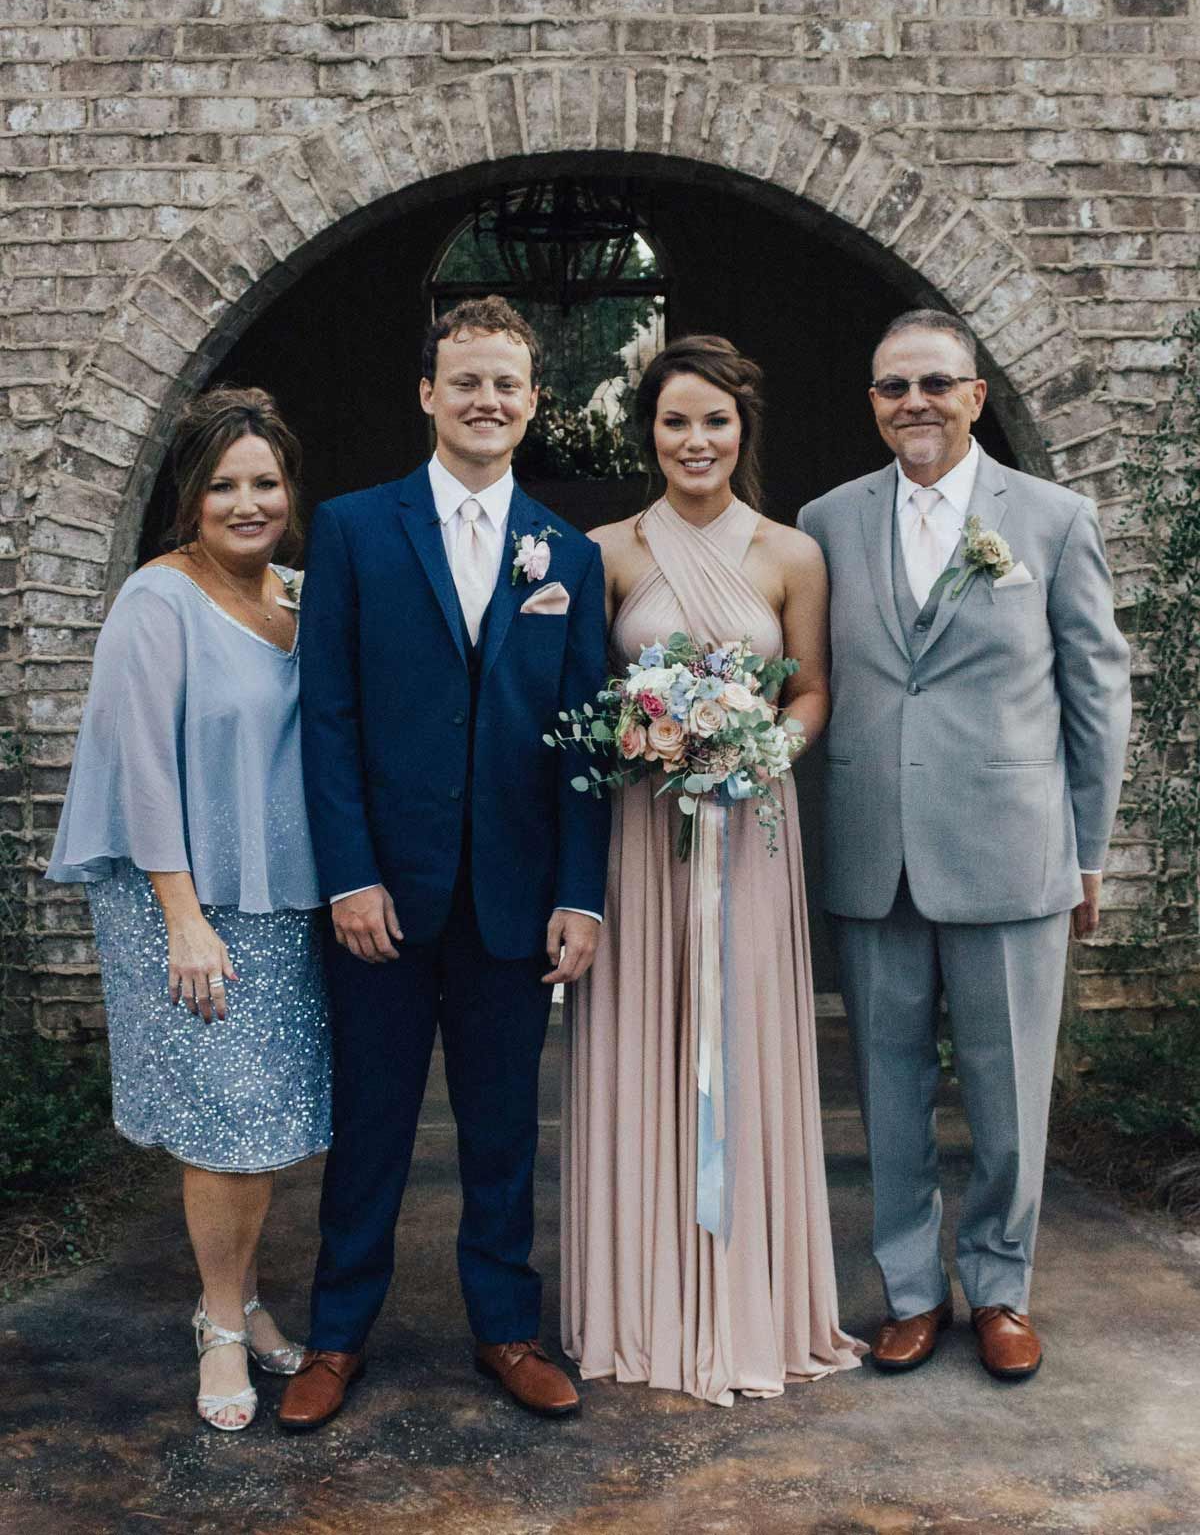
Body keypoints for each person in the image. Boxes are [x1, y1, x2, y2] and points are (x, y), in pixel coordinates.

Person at [281, 296, 610, 1431]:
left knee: (504, 1126)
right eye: (465, 380)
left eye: (507, 384)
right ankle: (336, 1336)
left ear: (533, 401)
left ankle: (506, 1329)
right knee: (371, 1123)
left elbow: (583, 739)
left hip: (511, 896)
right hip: (381, 892)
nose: (487, 400)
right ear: (428, 394)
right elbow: (327, 716)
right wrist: (348, 874)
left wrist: (579, 893)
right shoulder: (353, 529)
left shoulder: (569, 553)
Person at [798, 309, 1131, 1381]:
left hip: (1012, 849)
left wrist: (1089, 850)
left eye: (936, 383)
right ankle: (910, 1292)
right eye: (894, 387)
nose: (916, 403)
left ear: (976, 395)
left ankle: (999, 1286)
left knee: (1008, 1091)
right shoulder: (827, 521)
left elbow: (1097, 691)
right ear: (873, 404)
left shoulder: (1052, 518)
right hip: (873, 849)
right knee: (888, 1093)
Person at [562, 335, 864, 1407]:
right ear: (647, 432)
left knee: (742, 1037)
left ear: (744, 428)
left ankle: (749, 1306)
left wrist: (764, 745)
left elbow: (812, 688)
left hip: (749, 831)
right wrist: (641, 734)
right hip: (643, 836)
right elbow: (583, 698)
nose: (696, 441)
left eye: (716, 421)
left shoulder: (792, 554)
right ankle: (641, 1307)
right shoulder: (605, 551)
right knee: (642, 1037)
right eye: (675, 421)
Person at [46, 386, 331, 1433]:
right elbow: (141, 767)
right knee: (226, 1120)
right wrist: (183, 917)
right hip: (187, 899)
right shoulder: (156, 600)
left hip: (278, 894)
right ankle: (218, 1322)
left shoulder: (300, 595)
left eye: (266, 482)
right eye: (224, 486)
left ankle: (243, 1298)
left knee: (259, 1120)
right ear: (190, 498)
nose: (248, 504)